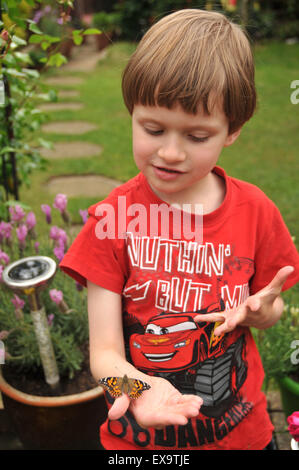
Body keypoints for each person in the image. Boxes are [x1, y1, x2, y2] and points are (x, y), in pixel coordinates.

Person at [60, 9, 299, 450]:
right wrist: (136, 389)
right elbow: (106, 356)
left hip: (242, 436)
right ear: (132, 113)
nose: (170, 152)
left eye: (196, 136)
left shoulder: (255, 211)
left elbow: (271, 308)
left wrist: (261, 312)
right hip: (142, 445)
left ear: (233, 130)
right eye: (153, 129)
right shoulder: (111, 222)